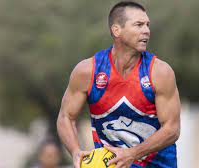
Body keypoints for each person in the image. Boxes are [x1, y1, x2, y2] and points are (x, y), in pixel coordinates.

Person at [57, 1, 181, 168]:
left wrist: (133, 154)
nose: (146, 30)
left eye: (147, 25)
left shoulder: (159, 72)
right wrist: (75, 151)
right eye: (138, 25)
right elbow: (66, 117)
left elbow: (172, 129)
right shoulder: (88, 71)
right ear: (117, 30)